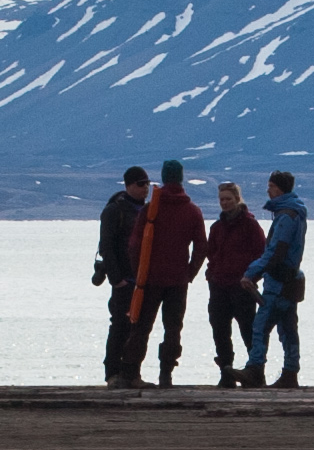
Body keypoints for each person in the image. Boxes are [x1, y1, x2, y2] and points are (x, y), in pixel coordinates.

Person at [134, 160, 203, 385]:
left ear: (164, 178)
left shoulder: (151, 208)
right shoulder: (192, 211)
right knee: (173, 328)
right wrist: (189, 273)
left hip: (149, 279)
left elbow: (135, 244)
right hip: (177, 281)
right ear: (181, 178)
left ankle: (131, 372)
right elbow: (202, 248)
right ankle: (166, 374)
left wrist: (139, 270)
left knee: (142, 326)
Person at [202, 179, 266, 385]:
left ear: (237, 199)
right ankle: (226, 372)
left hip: (241, 287)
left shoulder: (250, 225)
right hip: (219, 286)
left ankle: (255, 372)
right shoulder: (216, 228)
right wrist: (211, 274)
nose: (224, 203)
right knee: (220, 331)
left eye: (228, 199)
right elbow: (211, 253)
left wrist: (251, 278)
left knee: (248, 330)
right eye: (221, 199)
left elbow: (261, 255)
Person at [91, 164, 151, 386]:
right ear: (128, 185)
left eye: (147, 184)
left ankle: (131, 373)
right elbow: (107, 247)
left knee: (138, 329)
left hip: (142, 280)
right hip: (124, 281)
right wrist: (117, 281)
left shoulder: (146, 211)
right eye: (140, 184)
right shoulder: (114, 210)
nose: (145, 189)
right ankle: (112, 373)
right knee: (119, 326)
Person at [250, 169, 309, 388]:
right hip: (291, 280)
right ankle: (290, 372)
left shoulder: (286, 216)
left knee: (260, 326)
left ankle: (255, 368)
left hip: (278, 281)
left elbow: (276, 251)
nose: (268, 190)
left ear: (280, 189)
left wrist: (252, 272)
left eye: (272, 186)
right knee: (288, 328)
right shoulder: (296, 213)